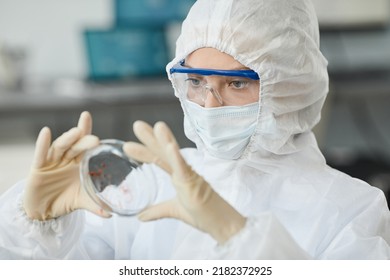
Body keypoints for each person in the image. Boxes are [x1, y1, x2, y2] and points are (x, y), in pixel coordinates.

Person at [0, 0, 389, 259]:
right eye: (197, 81)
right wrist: (37, 226)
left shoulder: (350, 209)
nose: (208, 105)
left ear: (291, 87)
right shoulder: (149, 183)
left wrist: (242, 239)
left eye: (236, 83)